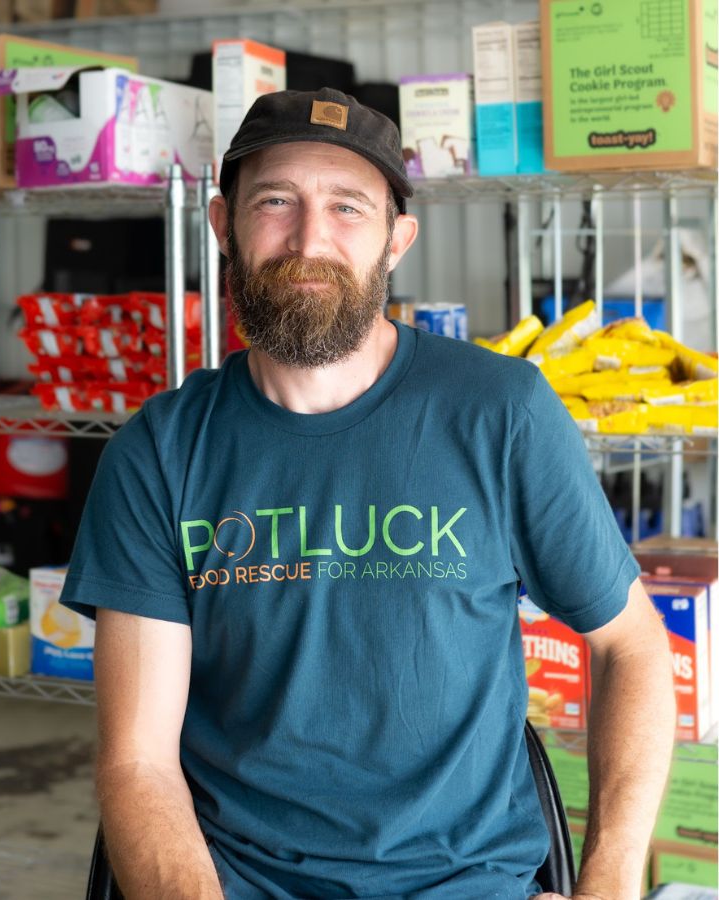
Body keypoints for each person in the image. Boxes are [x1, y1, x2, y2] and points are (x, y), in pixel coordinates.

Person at [61, 88, 675, 900]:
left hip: (469, 883)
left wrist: (608, 884)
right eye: (276, 201)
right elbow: (137, 761)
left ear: (397, 240)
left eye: (348, 207)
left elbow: (630, 646)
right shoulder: (161, 451)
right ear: (223, 226)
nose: (310, 238)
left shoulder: (502, 412)